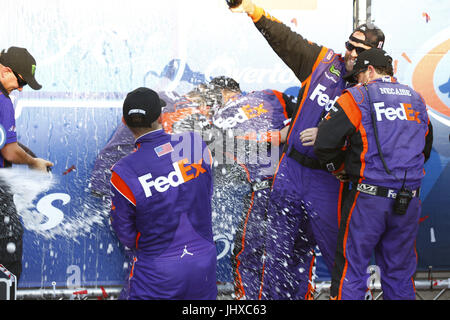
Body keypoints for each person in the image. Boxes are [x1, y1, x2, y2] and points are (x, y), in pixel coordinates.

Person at [229, 0, 386, 299]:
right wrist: (253, 10)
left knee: (335, 258)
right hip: (290, 172)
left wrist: (330, 139)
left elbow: (377, 146)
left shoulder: (374, 90)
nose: (350, 53)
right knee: (275, 255)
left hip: (329, 183)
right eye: (349, 45)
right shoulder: (325, 61)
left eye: (359, 50)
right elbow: (286, 39)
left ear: (375, 56)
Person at [314, 48, 433, 300]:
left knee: (352, 269)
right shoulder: (417, 99)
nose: (357, 81)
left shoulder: (356, 96)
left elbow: (324, 143)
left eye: (358, 75)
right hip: (408, 200)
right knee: (400, 274)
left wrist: (340, 169)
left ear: (369, 71)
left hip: (368, 199)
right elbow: (426, 148)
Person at [109, 87, 217, 300]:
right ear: (160, 116)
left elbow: (126, 233)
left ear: (124, 121)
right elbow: (206, 192)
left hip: (157, 273)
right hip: (203, 264)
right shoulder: (194, 144)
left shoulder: (123, 171)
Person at [208, 76, 295, 300]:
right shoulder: (271, 95)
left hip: (265, 192)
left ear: (221, 93)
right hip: (295, 188)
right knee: (292, 256)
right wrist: (279, 135)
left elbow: (213, 150)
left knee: (245, 256)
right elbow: (307, 118)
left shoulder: (219, 117)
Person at [0, 46, 53, 281]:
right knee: (8, 244)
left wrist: (29, 154)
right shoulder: (3, 101)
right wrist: (33, 163)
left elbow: (5, 140)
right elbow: (9, 152)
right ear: (5, 70)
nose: (20, 88)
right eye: (20, 81)